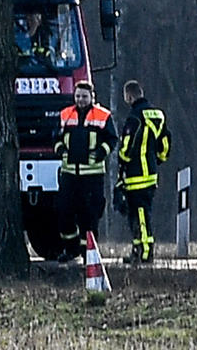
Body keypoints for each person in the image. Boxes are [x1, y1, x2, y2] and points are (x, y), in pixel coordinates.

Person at [55, 80, 117, 262]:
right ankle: (71, 249)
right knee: (64, 211)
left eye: (84, 96)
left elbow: (112, 139)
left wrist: (100, 153)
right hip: (69, 174)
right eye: (78, 96)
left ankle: (88, 253)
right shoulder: (65, 115)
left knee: (89, 216)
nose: (81, 99)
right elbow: (56, 138)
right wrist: (61, 151)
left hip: (92, 174)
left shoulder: (102, 116)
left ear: (92, 97)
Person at [114, 80, 170, 263]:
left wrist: (122, 163)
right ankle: (138, 249)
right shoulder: (157, 114)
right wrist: (158, 160)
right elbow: (165, 142)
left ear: (128, 96)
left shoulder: (134, 117)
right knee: (141, 212)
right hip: (151, 172)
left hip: (135, 173)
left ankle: (145, 251)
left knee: (139, 213)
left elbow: (127, 147)